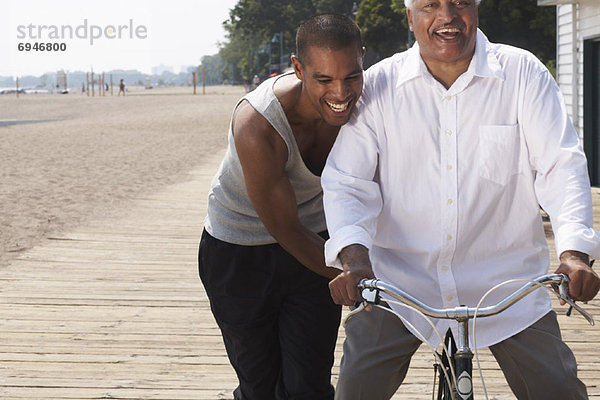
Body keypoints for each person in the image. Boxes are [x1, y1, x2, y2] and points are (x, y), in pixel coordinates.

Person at [321, 1, 600, 399]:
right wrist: (355, 260)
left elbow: (560, 166)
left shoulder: (522, 73)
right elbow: (348, 183)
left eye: (461, 2)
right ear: (410, 17)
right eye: (430, 4)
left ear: (477, 9)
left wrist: (574, 252)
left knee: (559, 391)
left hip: (507, 286)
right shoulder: (380, 85)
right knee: (355, 389)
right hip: (400, 285)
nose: (447, 16)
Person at [198, 14, 364, 400]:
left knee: (309, 386)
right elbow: (286, 230)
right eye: (323, 79)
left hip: (317, 242)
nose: (340, 93)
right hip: (238, 252)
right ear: (298, 69)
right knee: (260, 387)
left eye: (351, 76)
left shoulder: (367, 103)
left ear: (362, 62)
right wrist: (359, 276)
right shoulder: (258, 124)